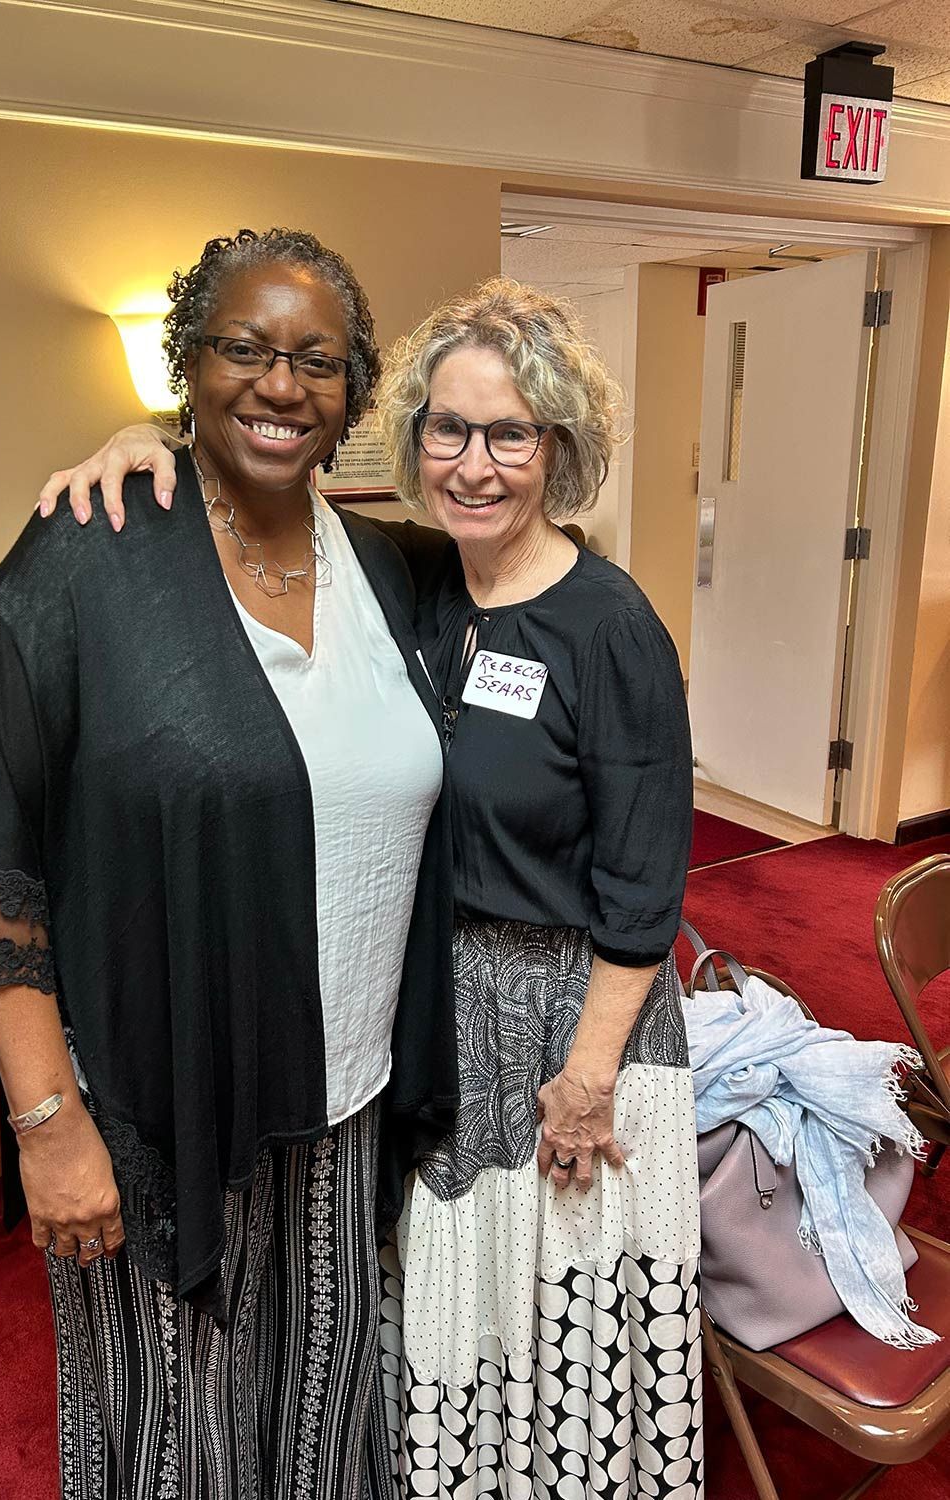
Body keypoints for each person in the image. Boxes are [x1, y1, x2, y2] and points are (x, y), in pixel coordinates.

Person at [41, 277, 702, 1498]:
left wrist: (590, 1075)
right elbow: (265, 492)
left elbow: (648, 874)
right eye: (447, 429)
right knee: (449, 1315)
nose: (475, 464)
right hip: (439, 1005)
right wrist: (155, 445)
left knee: (556, 1329)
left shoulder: (610, 626)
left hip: (571, 1027)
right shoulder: (421, 581)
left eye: (511, 433)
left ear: (560, 446)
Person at [0, 227, 459, 1500]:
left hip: (348, 1095)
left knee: (326, 1414)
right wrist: (47, 1126)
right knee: (172, 1445)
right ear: (184, 364)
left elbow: (532, 552)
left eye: (316, 359)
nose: (278, 385)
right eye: (241, 349)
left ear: (354, 392)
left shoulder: (389, 568)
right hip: (150, 1107)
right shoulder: (89, 554)